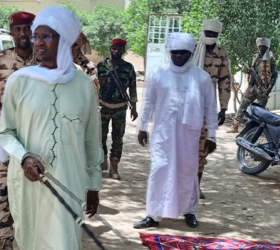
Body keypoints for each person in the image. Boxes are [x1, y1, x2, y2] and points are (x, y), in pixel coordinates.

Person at [0, 5, 103, 250]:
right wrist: (24, 157)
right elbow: (5, 132)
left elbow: (92, 140)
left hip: (70, 181)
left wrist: (93, 185)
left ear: (63, 40)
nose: (38, 42)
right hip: (29, 184)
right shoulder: (20, 81)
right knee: (35, 249)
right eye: (35, 36)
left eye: (46, 36)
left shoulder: (84, 85)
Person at [134, 32, 216, 230]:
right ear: (169, 53)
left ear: (190, 53)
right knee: (159, 169)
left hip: (189, 135)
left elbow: (210, 108)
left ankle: (189, 211)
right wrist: (142, 127)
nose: (178, 57)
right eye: (175, 53)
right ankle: (153, 214)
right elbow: (149, 102)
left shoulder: (201, 77)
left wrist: (212, 135)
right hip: (163, 133)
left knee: (187, 171)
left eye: (183, 53)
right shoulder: (158, 73)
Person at [0, 10, 37, 250]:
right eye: (19, 29)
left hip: (38, 138)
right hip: (6, 137)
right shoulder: (0, 60)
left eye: (28, 28)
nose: (24, 34)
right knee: (4, 194)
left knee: (38, 195)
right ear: (11, 32)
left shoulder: (46, 60)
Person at [191, 19, 231, 198]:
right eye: (208, 33)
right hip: (187, 104)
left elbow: (225, 81)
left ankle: (196, 186)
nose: (211, 37)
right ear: (203, 32)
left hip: (207, 106)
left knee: (202, 147)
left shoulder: (221, 54)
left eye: (214, 35)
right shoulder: (190, 49)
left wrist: (223, 108)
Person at [96, 38, 138, 180]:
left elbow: (132, 87)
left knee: (118, 138)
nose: (116, 51)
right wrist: (105, 77)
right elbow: (94, 85)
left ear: (123, 51)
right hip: (103, 106)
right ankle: (102, 160)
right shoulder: (101, 66)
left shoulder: (128, 67)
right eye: (114, 49)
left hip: (120, 108)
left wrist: (134, 108)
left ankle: (114, 166)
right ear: (110, 49)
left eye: (119, 49)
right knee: (100, 136)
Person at [230, 37, 278, 133]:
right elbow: (253, 70)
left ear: (267, 47)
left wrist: (269, 88)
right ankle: (235, 126)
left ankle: (255, 130)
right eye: (260, 47)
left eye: (263, 47)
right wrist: (248, 71)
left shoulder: (271, 59)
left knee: (260, 111)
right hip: (252, 86)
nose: (261, 49)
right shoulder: (255, 57)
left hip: (263, 88)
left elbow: (275, 75)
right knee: (243, 105)